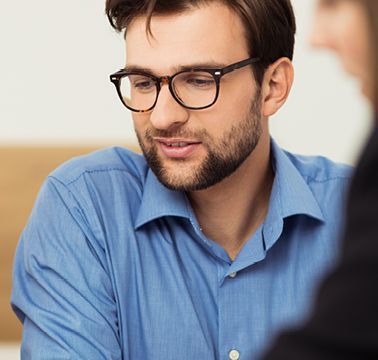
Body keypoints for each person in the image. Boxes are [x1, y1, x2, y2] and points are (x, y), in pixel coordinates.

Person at [11, 1, 352, 359]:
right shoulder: (84, 209)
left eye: (199, 80)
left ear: (272, 87)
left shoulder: (358, 215)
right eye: (143, 82)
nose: (162, 117)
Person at [262, 0, 378, 359]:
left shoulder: (348, 196)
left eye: (334, 4)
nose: (314, 38)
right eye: (141, 83)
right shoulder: (92, 202)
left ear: (272, 85)